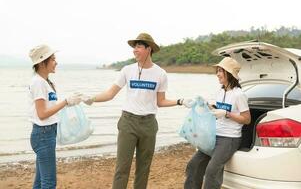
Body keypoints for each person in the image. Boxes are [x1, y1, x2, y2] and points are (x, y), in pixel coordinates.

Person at [83, 33, 192, 189]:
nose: (135, 50)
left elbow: (160, 102)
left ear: (149, 49)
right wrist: (91, 99)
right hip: (128, 122)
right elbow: (110, 93)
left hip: (148, 124)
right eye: (134, 47)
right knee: (122, 168)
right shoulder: (127, 70)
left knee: (144, 169)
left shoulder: (160, 74)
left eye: (138, 46)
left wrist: (180, 101)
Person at [184, 57, 251, 189]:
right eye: (218, 70)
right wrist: (203, 103)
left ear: (230, 74)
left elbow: (247, 119)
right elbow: (216, 110)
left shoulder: (239, 95)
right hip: (214, 135)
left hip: (229, 139)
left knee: (211, 172)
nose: (218, 74)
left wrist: (227, 114)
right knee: (193, 165)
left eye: (221, 71)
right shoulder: (220, 91)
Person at [28, 44, 82, 189]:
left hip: (47, 133)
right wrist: (65, 102)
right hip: (43, 135)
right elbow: (42, 115)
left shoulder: (46, 82)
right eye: (52, 59)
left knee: (40, 182)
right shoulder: (38, 83)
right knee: (49, 183)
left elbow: (50, 109)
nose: (56, 62)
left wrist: (69, 103)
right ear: (41, 62)